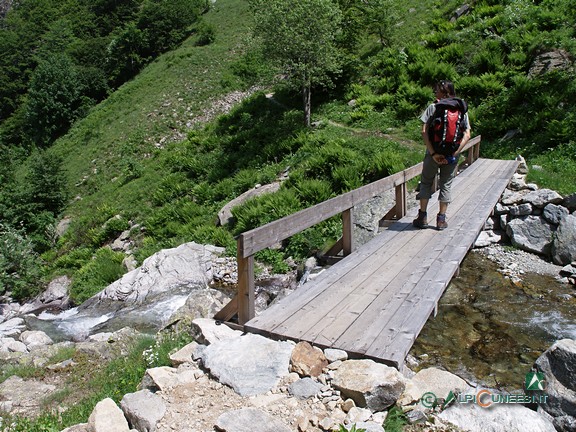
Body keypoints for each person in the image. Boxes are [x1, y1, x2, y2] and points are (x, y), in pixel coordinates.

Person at [413, 80, 471, 230]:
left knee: (426, 182)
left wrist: (433, 153)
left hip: (433, 153)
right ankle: (441, 220)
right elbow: (467, 134)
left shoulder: (433, 107)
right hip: (451, 155)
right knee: (446, 185)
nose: (435, 93)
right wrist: (454, 153)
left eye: (437, 90)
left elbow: (424, 131)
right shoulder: (461, 109)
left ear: (444, 92)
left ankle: (422, 218)